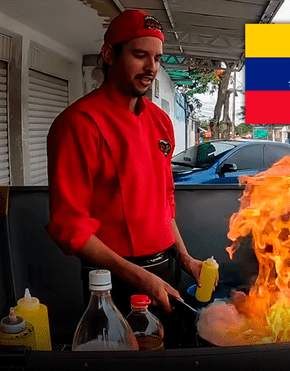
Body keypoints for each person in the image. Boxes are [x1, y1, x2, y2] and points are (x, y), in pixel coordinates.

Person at [46, 10, 203, 332]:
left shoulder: (160, 121)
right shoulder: (78, 124)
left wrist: (185, 259)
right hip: (112, 278)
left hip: (166, 267)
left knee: (171, 348)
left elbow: (165, 201)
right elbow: (69, 227)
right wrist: (138, 277)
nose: (151, 68)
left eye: (157, 58)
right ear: (109, 54)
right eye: (139, 55)